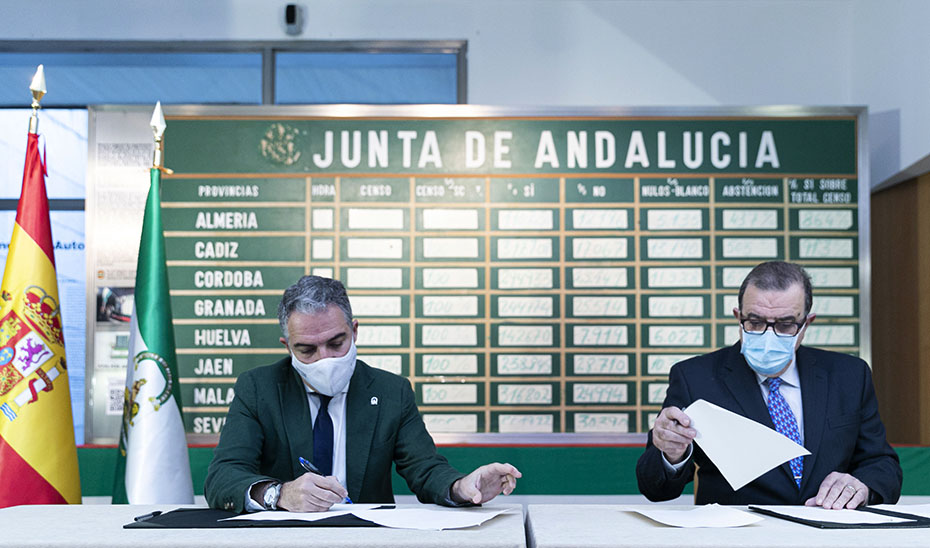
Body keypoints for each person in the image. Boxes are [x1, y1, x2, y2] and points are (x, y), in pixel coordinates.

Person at [205, 275, 521, 512]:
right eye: (307, 349)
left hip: (367, 540)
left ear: (355, 331)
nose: (324, 359)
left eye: (336, 342)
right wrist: (279, 494)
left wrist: (462, 486)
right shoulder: (258, 388)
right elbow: (222, 477)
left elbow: (424, 469)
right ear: (287, 347)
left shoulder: (391, 391)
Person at [636, 261, 901, 509]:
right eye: (755, 322)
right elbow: (655, 488)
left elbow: (881, 463)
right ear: (738, 317)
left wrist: (862, 486)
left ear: (806, 323)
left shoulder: (849, 375)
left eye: (785, 325)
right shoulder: (695, 377)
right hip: (737, 535)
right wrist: (670, 454)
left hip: (828, 534)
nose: (768, 335)